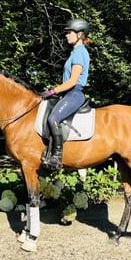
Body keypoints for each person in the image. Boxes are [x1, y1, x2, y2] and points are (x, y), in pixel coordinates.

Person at [40, 18, 91, 170]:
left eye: (70, 33)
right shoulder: (75, 52)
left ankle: (57, 157)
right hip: (69, 94)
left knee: (53, 118)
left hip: (74, 93)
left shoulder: (80, 53)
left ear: (80, 34)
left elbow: (73, 81)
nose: (66, 35)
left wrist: (52, 91)